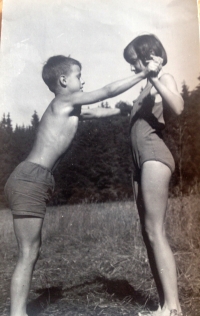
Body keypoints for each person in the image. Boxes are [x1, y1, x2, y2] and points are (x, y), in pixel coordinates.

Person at [4, 54, 162, 316]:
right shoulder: (65, 99)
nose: (83, 79)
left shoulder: (70, 106)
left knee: (30, 252)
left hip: (34, 179)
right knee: (28, 253)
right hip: (30, 178)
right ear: (64, 80)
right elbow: (107, 91)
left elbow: (100, 110)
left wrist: (128, 110)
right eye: (78, 75)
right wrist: (144, 73)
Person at [123, 34, 184, 316]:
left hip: (154, 156)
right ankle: (163, 305)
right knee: (148, 233)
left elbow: (179, 107)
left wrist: (156, 76)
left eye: (134, 61)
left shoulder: (164, 79)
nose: (132, 68)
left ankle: (173, 308)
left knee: (156, 232)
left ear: (147, 56)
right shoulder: (144, 88)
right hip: (139, 162)